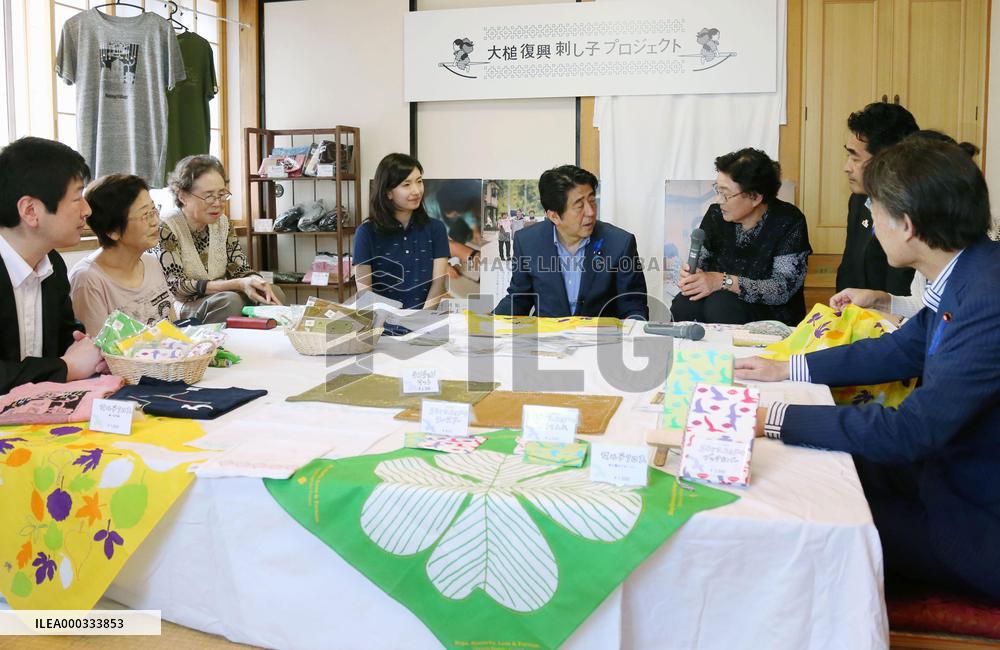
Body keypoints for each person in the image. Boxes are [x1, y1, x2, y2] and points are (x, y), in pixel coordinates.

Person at [735, 138, 1000, 602]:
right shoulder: (970, 271)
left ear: (907, 225)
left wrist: (772, 417)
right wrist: (788, 367)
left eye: (873, 210)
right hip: (946, 475)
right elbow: (900, 349)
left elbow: (910, 431)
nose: (870, 222)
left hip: (976, 520)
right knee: (803, 469)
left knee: (795, 517)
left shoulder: (985, 298)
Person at [831, 130, 981, 322]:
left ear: (907, 223)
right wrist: (881, 301)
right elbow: (924, 309)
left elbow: (932, 330)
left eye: (876, 211)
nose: (875, 227)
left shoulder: (981, 293)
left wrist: (895, 322)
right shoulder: (935, 256)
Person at [0, 137, 106, 393]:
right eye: (77, 197)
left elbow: (64, 334)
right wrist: (66, 367)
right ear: (30, 211)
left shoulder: (52, 263)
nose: (87, 210)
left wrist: (86, 349)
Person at [670, 148, 811, 326]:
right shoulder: (715, 215)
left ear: (755, 197)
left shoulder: (788, 221)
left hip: (769, 313)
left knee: (721, 305)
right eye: (717, 190)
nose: (719, 200)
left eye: (725, 194)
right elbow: (701, 264)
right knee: (684, 303)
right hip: (719, 301)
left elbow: (782, 288)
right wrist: (692, 274)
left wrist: (723, 281)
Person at [494, 164, 648, 320]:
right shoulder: (527, 242)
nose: (591, 212)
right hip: (549, 334)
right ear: (554, 216)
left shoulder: (620, 244)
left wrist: (633, 329)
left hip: (600, 334)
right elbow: (519, 299)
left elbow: (633, 308)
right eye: (580, 206)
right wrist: (488, 324)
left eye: (592, 201)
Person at [156, 155, 282, 323]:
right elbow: (176, 287)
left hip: (220, 296)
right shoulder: (166, 227)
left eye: (222, 194)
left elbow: (240, 269)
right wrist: (237, 284)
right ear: (183, 196)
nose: (218, 203)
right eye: (209, 196)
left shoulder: (223, 223)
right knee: (230, 302)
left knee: (272, 292)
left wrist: (256, 281)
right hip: (182, 304)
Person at [69, 174, 175, 335]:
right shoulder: (88, 280)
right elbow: (96, 346)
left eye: (154, 210)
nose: (155, 222)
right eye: (145, 215)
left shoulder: (151, 263)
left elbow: (173, 327)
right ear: (112, 231)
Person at [836, 102, 918, 296]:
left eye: (855, 158)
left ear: (886, 160)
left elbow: (904, 287)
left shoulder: (916, 210)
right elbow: (849, 268)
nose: (847, 167)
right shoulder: (858, 201)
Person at [353, 153, 449, 309]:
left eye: (419, 181)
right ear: (388, 192)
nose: (416, 191)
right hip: (382, 320)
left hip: (425, 319)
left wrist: (421, 319)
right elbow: (364, 292)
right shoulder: (366, 232)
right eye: (406, 184)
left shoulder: (436, 229)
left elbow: (439, 284)